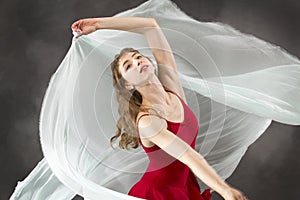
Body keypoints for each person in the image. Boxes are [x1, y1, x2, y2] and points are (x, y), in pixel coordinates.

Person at [71, 16, 248, 200]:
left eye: (138, 56)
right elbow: (188, 155)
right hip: (158, 194)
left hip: (184, 188)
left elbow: (151, 26)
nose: (137, 62)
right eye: (128, 66)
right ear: (128, 85)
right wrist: (224, 189)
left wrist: (98, 25)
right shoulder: (148, 121)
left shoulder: (172, 89)